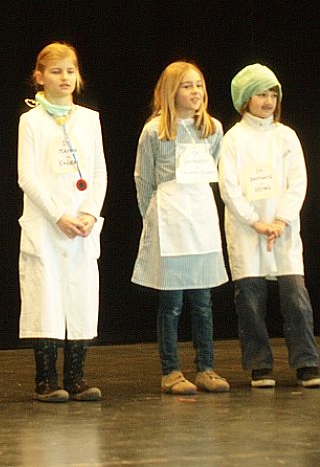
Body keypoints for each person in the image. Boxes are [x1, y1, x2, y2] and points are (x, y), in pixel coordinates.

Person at [218, 64, 320, 388]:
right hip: (248, 230)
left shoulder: (286, 136)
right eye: (261, 94)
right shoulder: (233, 139)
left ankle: (307, 362)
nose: (268, 101)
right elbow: (229, 187)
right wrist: (256, 222)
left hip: (282, 229)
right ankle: (259, 365)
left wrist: (280, 220)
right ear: (245, 99)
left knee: (296, 298)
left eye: (273, 95)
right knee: (250, 301)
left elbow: (298, 182)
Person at [131, 61, 230, 395]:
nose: (195, 92)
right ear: (171, 91)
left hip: (200, 218)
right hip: (169, 219)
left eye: (199, 85)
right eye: (187, 86)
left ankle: (206, 367)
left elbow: (213, 167)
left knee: (203, 301)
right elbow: (143, 178)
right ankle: (171, 371)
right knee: (171, 302)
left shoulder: (213, 128)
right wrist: (152, 217)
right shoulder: (154, 131)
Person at [16, 42, 107, 403]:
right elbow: (27, 176)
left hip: (82, 226)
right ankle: (46, 379)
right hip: (47, 225)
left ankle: (76, 377)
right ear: (39, 77)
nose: (64, 77)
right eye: (56, 71)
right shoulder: (31, 121)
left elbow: (99, 173)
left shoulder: (89, 119)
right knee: (46, 300)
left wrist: (90, 212)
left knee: (80, 298)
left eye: (70, 70)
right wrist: (58, 215)